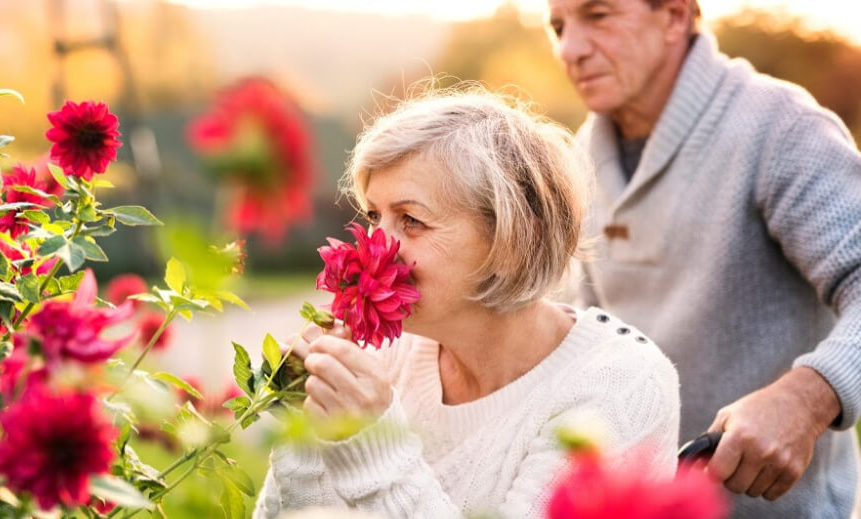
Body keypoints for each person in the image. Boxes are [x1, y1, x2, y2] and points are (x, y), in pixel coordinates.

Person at [253, 88, 681, 518]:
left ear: (512, 242)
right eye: (372, 216)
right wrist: (304, 433)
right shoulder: (381, 357)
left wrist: (375, 447)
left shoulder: (618, 388)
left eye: (411, 220)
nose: (372, 247)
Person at [545, 0, 861, 516]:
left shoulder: (780, 128)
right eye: (558, 27)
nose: (570, 49)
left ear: (674, 16)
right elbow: (586, 341)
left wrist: (806, 398)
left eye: (598, 16)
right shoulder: (580, 158)